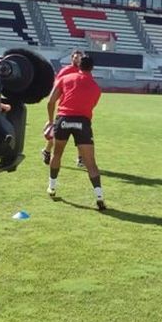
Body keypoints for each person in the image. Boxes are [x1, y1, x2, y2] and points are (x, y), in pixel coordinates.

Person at [45, 56, 106, 210]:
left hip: (63, 119)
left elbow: (51, 101)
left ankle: (52, 187)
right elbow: (91, 106)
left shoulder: (65, 78)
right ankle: (99, 196)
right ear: (92, 68)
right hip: (83, 122)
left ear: (79, 65)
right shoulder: (96, 87)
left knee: (57, 154)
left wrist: (51, 122)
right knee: (90, 162)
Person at [41, 49, 85, 167]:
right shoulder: (66, 71)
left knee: (81, 134)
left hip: (79, 108)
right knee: (57, 134)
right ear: (72, 58)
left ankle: (81, 158)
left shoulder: (83, 72)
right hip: (65, 107)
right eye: (76, 57)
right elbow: (57, 87)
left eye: (80, 57)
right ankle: (47, 151)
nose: (78, 60)